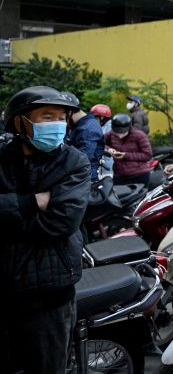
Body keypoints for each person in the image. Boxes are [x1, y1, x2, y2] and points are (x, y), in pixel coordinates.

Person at [0, 86, 90, 373]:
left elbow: (61, 222)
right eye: (47, 116)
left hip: (50, 297)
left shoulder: (74, 162)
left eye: (62, 117)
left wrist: (8, 213)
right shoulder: (2, 160)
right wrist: (32, 201)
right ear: (20, 122)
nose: (58, 125)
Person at [64, 92, 105, 182]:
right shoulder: (78, 125)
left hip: (84, 180)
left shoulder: (88, 129)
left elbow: (83, 159)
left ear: (69, 112)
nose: (61, 121)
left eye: (61, 117)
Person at [104, 113, 153, 186]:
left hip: (139, 175)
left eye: (122, 132)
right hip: (119, 175)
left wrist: (125, 155)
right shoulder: (111, 134)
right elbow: (100, 143)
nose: (119, 135)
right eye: (117, 132)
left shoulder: (139, 135)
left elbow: (147, 155)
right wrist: (109, 150)